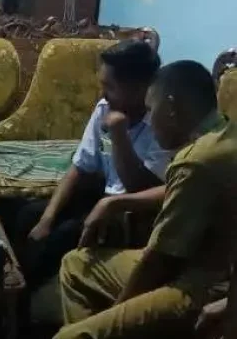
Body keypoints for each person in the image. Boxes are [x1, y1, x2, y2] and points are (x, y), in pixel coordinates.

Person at [53, 60, 237, 339]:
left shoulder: (196, 160)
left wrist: (116, 313)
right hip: (200, 265)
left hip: (202, 282)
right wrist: (116, 202)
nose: (149, 119)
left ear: (171, 107)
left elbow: (160, 261)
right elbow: (186, 190)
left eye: (151, 110)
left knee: (71, 336)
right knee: (75, 265)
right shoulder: (224, 132)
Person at [13, 40, 169, 294]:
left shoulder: (163, 124)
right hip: (100, 198)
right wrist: (46, 219)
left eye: (110, 87)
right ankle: (13, 290)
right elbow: (80, 167)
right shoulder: (105, 107)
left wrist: (119, 135)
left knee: (63, 236)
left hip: (131, 214)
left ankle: (23, 299)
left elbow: (138, 187)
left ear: (139, 88)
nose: (102, 94)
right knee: (28, 215)